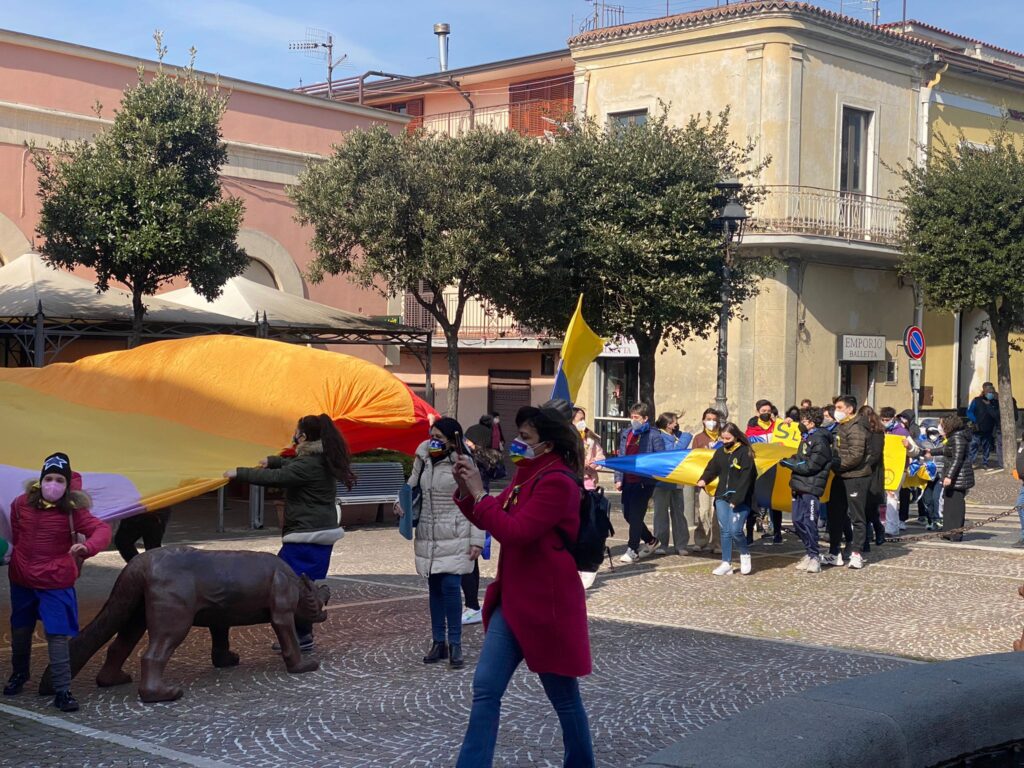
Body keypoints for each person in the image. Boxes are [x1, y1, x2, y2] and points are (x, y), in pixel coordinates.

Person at [452, 405, 595, 768]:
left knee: (564, 699)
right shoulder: (527, 475)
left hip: (548, 606)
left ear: (547, 444)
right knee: (486, 688)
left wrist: (480, 495)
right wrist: (468, 489)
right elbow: (493, 515)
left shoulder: (558, 482)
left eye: (526, 438)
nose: (518, 443)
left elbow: (515, 532)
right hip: (514, 601)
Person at [229, 414, 354, 652]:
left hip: (307, 537)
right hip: (316, 534)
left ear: (304, 436)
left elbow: (279, 477)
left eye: (297, 431)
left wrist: (238, 473)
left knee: (294, 587)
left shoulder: (309, 464)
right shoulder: (320, 458)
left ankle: (301, 636)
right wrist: (273, 460)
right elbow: (289, 466)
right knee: (300, 586)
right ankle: (300, 635)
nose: (294, 435)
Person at [5, 453, 111, 712]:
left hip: (55, 581)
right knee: (20, 629)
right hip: (21, 579)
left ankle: (62, 690)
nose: (53, 484)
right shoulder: (21, 503)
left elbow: (102, 530)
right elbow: (17, 532)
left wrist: (87, 547)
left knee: (57, 635)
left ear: (67, 484)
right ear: (40, 480)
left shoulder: (74, 511)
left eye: (59, 480)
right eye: (49, 478)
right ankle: (20, 674)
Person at [398, 417, 484, 669]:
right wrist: (400, 501)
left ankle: (455, 642)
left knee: (450, 587)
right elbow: (411, 484)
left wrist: (476, 539)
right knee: (434, 589)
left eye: (439, 436)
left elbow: (477, 500)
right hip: (429, 530)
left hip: (456, 529)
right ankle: (439, 642)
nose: (433, 440)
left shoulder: (463, 461)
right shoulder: (423, 455)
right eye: (431, 434)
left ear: (452, 439)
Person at [697, 423, 758, 576]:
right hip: (721, 496)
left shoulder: (745, 453)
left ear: (736, 437)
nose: (724, 441)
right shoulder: (720, 452)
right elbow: (712, 468)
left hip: (740, 498)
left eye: (728, 438)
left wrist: (737, 499)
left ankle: (744, 554)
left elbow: (747, 478)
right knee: (725, 530)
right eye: (722, 438)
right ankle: (726, 562)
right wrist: (704, 479)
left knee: (736, 530)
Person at [781, 407, 832, 574]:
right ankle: (809, 552)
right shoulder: (806, 438)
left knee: (810, 522)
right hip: (798, 486)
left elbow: (811, 465)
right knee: (797, 521)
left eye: (803, 421)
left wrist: (790, 464)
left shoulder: (820, 440)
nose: (800, 424)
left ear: (811, 422)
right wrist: (789, 459)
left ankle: (814, 555)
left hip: (811, 487)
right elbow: (801, 458)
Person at [614, 402, 665, 564]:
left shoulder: (653, 435)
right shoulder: (626, 433)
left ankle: (632, 549)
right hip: (628, 480)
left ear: (645, 418)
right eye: (632, 417)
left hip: (644, 482)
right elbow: (622, 457)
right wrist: (618, 478)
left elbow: (660, 457)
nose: (633, 420)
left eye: (636, 417)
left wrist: (654, 475)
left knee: (636, 515)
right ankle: (651, 540)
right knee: (628, 515)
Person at [830, 396, 871, 570]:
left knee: (857, 515)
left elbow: (856, 455)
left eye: (839, 407)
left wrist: (836, 465)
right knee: (835, 514)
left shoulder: (857, 427)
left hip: (856, 476)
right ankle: (834, 552)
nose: (836, 411)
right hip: (840, 475)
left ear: (849, 409)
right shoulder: (841, 426)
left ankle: (856, 554)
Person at [931, 415, 975, 542]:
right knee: (948, 503)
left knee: (956, 505)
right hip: (953, 475)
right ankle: (948, 530)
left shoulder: (958, 437)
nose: (940, 427)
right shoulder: (953, 437)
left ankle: (955, 533)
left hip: (958, 477)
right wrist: (930, 451)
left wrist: (949, 476)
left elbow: (957, 458)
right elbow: (946, 450)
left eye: (942, 424)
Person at [652, 412, 691, 555]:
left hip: (677, 480)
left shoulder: (676, 436)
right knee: (661, 514)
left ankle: (681, 544)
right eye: (674, 422)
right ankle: (661, 544)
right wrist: (685, 438)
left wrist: (680, 435)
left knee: (679, 513)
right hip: (662, 481)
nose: (676, 424)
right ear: (668, 424)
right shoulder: (660, 437)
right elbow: (672, 454)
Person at [746, 400, 782, 545]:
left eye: (768, 411)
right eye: (763, 411)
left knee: (775, 503)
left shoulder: (779, 428)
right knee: (754, 502)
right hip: (759, 470)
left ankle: (777, 533)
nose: (766, 413)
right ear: (757, 412)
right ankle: (749, 535)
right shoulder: (751, 429)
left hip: (775, 468)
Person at [688, 408, 722, 555]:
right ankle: (701, 541)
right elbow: (694, 458)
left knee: (718, 512)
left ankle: (717, 542)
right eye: (708, 419)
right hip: (704, 480)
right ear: (703, 421)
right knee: (704, 510)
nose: (711, 422)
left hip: (719, 480)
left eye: (714, 419)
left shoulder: (723, 436)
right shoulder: (699, 438)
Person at [859, 405, 887, 553]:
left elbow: (875, 454)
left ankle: (877, 529)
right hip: (862, 471)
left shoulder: (877, 433)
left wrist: (861, 464)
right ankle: (866, 538)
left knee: (869, 506)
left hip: (872, 473)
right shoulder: (861, 431)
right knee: (862, 508)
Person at [967, 382, 1000, 469]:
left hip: (989, 428)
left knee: (987, 446)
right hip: (977, 428)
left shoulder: (995, 402)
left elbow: (996, 415)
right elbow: (969, 412)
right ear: (984, 391)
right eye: (989, 392)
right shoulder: (977, 400)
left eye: (992, 392)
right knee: (974, 445)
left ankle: (985, 462)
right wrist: (975, 420)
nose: (990, 393)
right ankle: (971, 462)